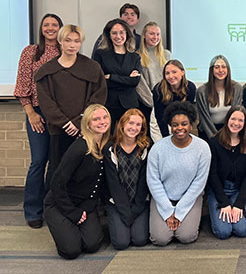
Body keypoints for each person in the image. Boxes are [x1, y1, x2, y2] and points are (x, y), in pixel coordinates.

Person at [35, 25, 107, 183]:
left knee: (84, 172)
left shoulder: (92, 68)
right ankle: (55, 206)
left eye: (76, 41)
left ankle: (81, 207)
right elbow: (46, 102)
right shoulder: (47, 70)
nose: (72, 45)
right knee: (58, 171)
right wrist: (65, 123)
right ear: (60, 41)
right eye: (68, 40)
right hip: (59, 130)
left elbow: (98, 97)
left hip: (85, 130)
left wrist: (79, 122)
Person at [14, 13, 63, 228]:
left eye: (54, 25)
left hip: (61, 115)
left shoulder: (66, 52)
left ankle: (50, 207)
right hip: (37, 113)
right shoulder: (30, 52)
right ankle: (33, 210)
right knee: (38, 161)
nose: (50, 28)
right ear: (41, 28)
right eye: (46, 25)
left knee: (57, 161)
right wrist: (31, 113)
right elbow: (23, 85)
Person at [43, 104, 111, 260]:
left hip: (85, 204)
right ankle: (65, 226)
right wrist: (72, 213)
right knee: (71, 251)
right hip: (61, 204)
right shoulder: (80, 148)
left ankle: (72, 228)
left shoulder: (106, 145)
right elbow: (57, 183)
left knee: (92, 245)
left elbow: (98, 184)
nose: (102, 122)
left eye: (104, 117)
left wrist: (87, 208)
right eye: (96, 119)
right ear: (88, 124)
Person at [146, 101, 211, 246]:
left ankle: (187, 220)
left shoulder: (202, 147)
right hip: (163, 199)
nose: (179, 128)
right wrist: (168, 212)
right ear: (170, 125)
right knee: (160, 239)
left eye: (184, 124)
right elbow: (153, 181)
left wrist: (180, 212)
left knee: (186, 236)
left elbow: (199, 183)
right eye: (175, 125)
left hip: (190, 198)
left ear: (191, 124)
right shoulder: (158, 148)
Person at [103, 108, 150, 250]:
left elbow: (144, 182)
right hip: (117, 202)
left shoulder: (145, 147)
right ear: (122, 124)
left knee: (140, 239)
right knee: (121, 243)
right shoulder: (111, 149)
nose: (134, 128)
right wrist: (125, 212)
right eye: (130, 123)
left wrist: (136, 210)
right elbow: (113, 184)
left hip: (139, 202)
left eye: (138, 125)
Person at [207, 107, 246, 239]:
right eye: (233, 118)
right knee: (223, 232)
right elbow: (212, 175)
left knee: (242, 230)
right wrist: (224, 203)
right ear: (227, 120)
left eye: (240, 120)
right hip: (218, 190)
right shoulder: (214, 142)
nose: (236, 123)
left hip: (237, 190)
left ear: (245, 123)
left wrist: (239, 204)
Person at [93, 18, 142, 131]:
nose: (118, 36)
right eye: (114, 33)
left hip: (129, 104)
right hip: (108, 103)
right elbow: (100, 81)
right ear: (109, 35)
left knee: (128, 136)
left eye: (121, 32)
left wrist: (111, 76)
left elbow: (134, 82)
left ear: (127, 34)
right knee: (106, 137)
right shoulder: (100, 54)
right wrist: (126, 79)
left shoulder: (135, 56)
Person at [196, 55, 243, 140]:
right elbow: (204, 119)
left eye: (224, 67)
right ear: (211, 70)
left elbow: (236, 114)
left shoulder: (237, 88)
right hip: (208, 132)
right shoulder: (202, 91)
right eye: (217, 67)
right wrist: (216, 139)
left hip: (230, 131)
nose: (221, 70)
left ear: (228, 69)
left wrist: (227, 135)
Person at [135, 22, 170, 136]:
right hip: (148, 105)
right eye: (152, 34)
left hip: (167, 103)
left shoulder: (167, 55)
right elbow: (140, 85)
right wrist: (154, 103)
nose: (155, 37)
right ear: (144, 35)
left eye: (158, 34)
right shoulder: (137, 56)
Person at [153, 59, 197, 137]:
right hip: (160, 123)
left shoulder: (190, 87)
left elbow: (188, 114)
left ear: (182, 72)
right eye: (167, 73)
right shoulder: (158, 89)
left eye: (174, 72)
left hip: (180, 122)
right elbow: (159, 117)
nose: (171, 76)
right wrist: (166, 137)